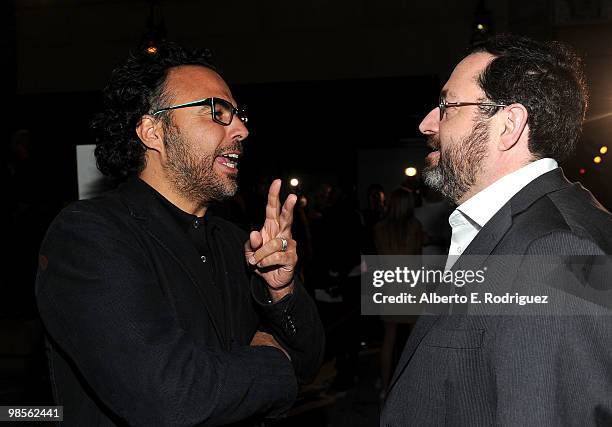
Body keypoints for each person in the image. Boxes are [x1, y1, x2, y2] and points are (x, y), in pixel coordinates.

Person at [35, 42, 324, 426]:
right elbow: (170, 396)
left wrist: (281, 291)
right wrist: (274, 360)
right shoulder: (90, 236)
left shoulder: (236, 241)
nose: (242, 128)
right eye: (217, 111)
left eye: (237, 114)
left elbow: (309, 358)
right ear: (153, 131)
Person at [381, 34, 612, 426]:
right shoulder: (540, 225)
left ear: (509, 124)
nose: (426, 123)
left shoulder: (553, 250)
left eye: (447, 106)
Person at [372, 187, 422, 397]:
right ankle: (415, 387)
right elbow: (416, 256)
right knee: (414, 340)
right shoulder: (415, 227)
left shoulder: (379, 228)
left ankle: (385, 387)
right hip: (410, 284)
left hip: (389, 283)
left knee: (389, 338)